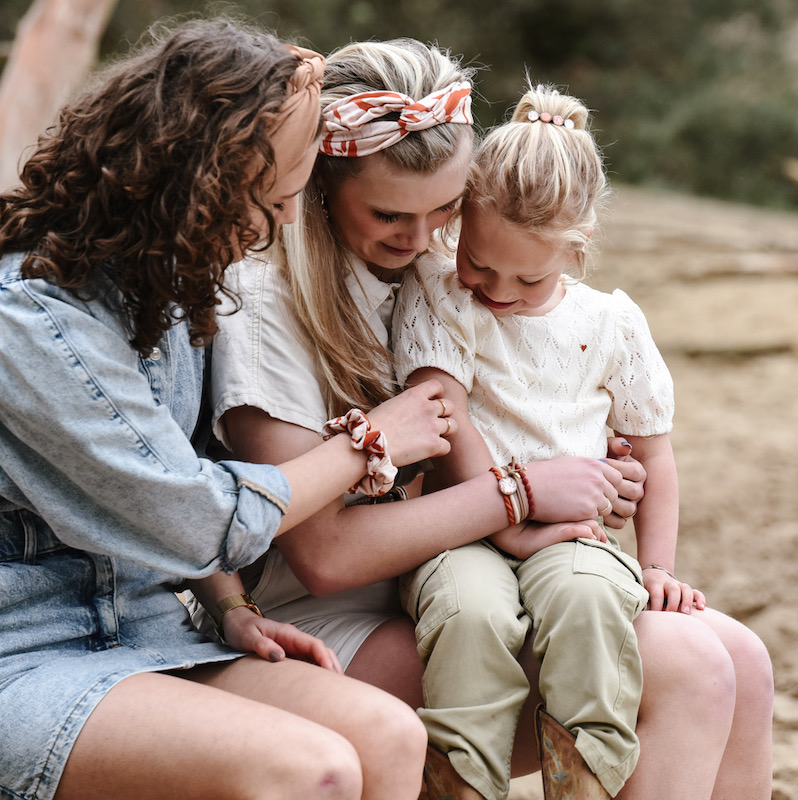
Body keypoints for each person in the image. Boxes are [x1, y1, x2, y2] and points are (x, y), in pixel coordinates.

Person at [197, 38, 774, 800]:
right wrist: (523, 493)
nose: (423, 237)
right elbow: (324, 557)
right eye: (391, 214)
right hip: (327, 620)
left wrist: (582, 463)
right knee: (689, 667)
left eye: (447, 208)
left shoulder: (442, 272)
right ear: (321, 185)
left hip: (476, 576)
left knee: (744, 659)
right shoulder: (266, 306)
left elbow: (532, 388)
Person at [0, 18, 461, 800]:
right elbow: (191, 516)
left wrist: (230, 605)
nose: (286, 220)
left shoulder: (170, 290)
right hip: (26, 653)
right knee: (312, 771)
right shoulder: (29, 324)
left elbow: (180, 470)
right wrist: (368, 443)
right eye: (273, 198)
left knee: (388, 734)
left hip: (148, 632)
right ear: (198, 186)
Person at [391, 81, 710, 799]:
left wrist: (656, 565)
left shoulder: (613, 325)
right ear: (459, 225)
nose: (496, 290)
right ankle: (463, 781)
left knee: (592, 602)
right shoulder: (440, 294)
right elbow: (448, 413)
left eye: (526, 278)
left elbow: (652, 453)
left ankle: (584, 777)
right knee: (468, 613)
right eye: (478, 262)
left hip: (574, 535)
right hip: (458, 528)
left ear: (577, 248)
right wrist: (507, 526)